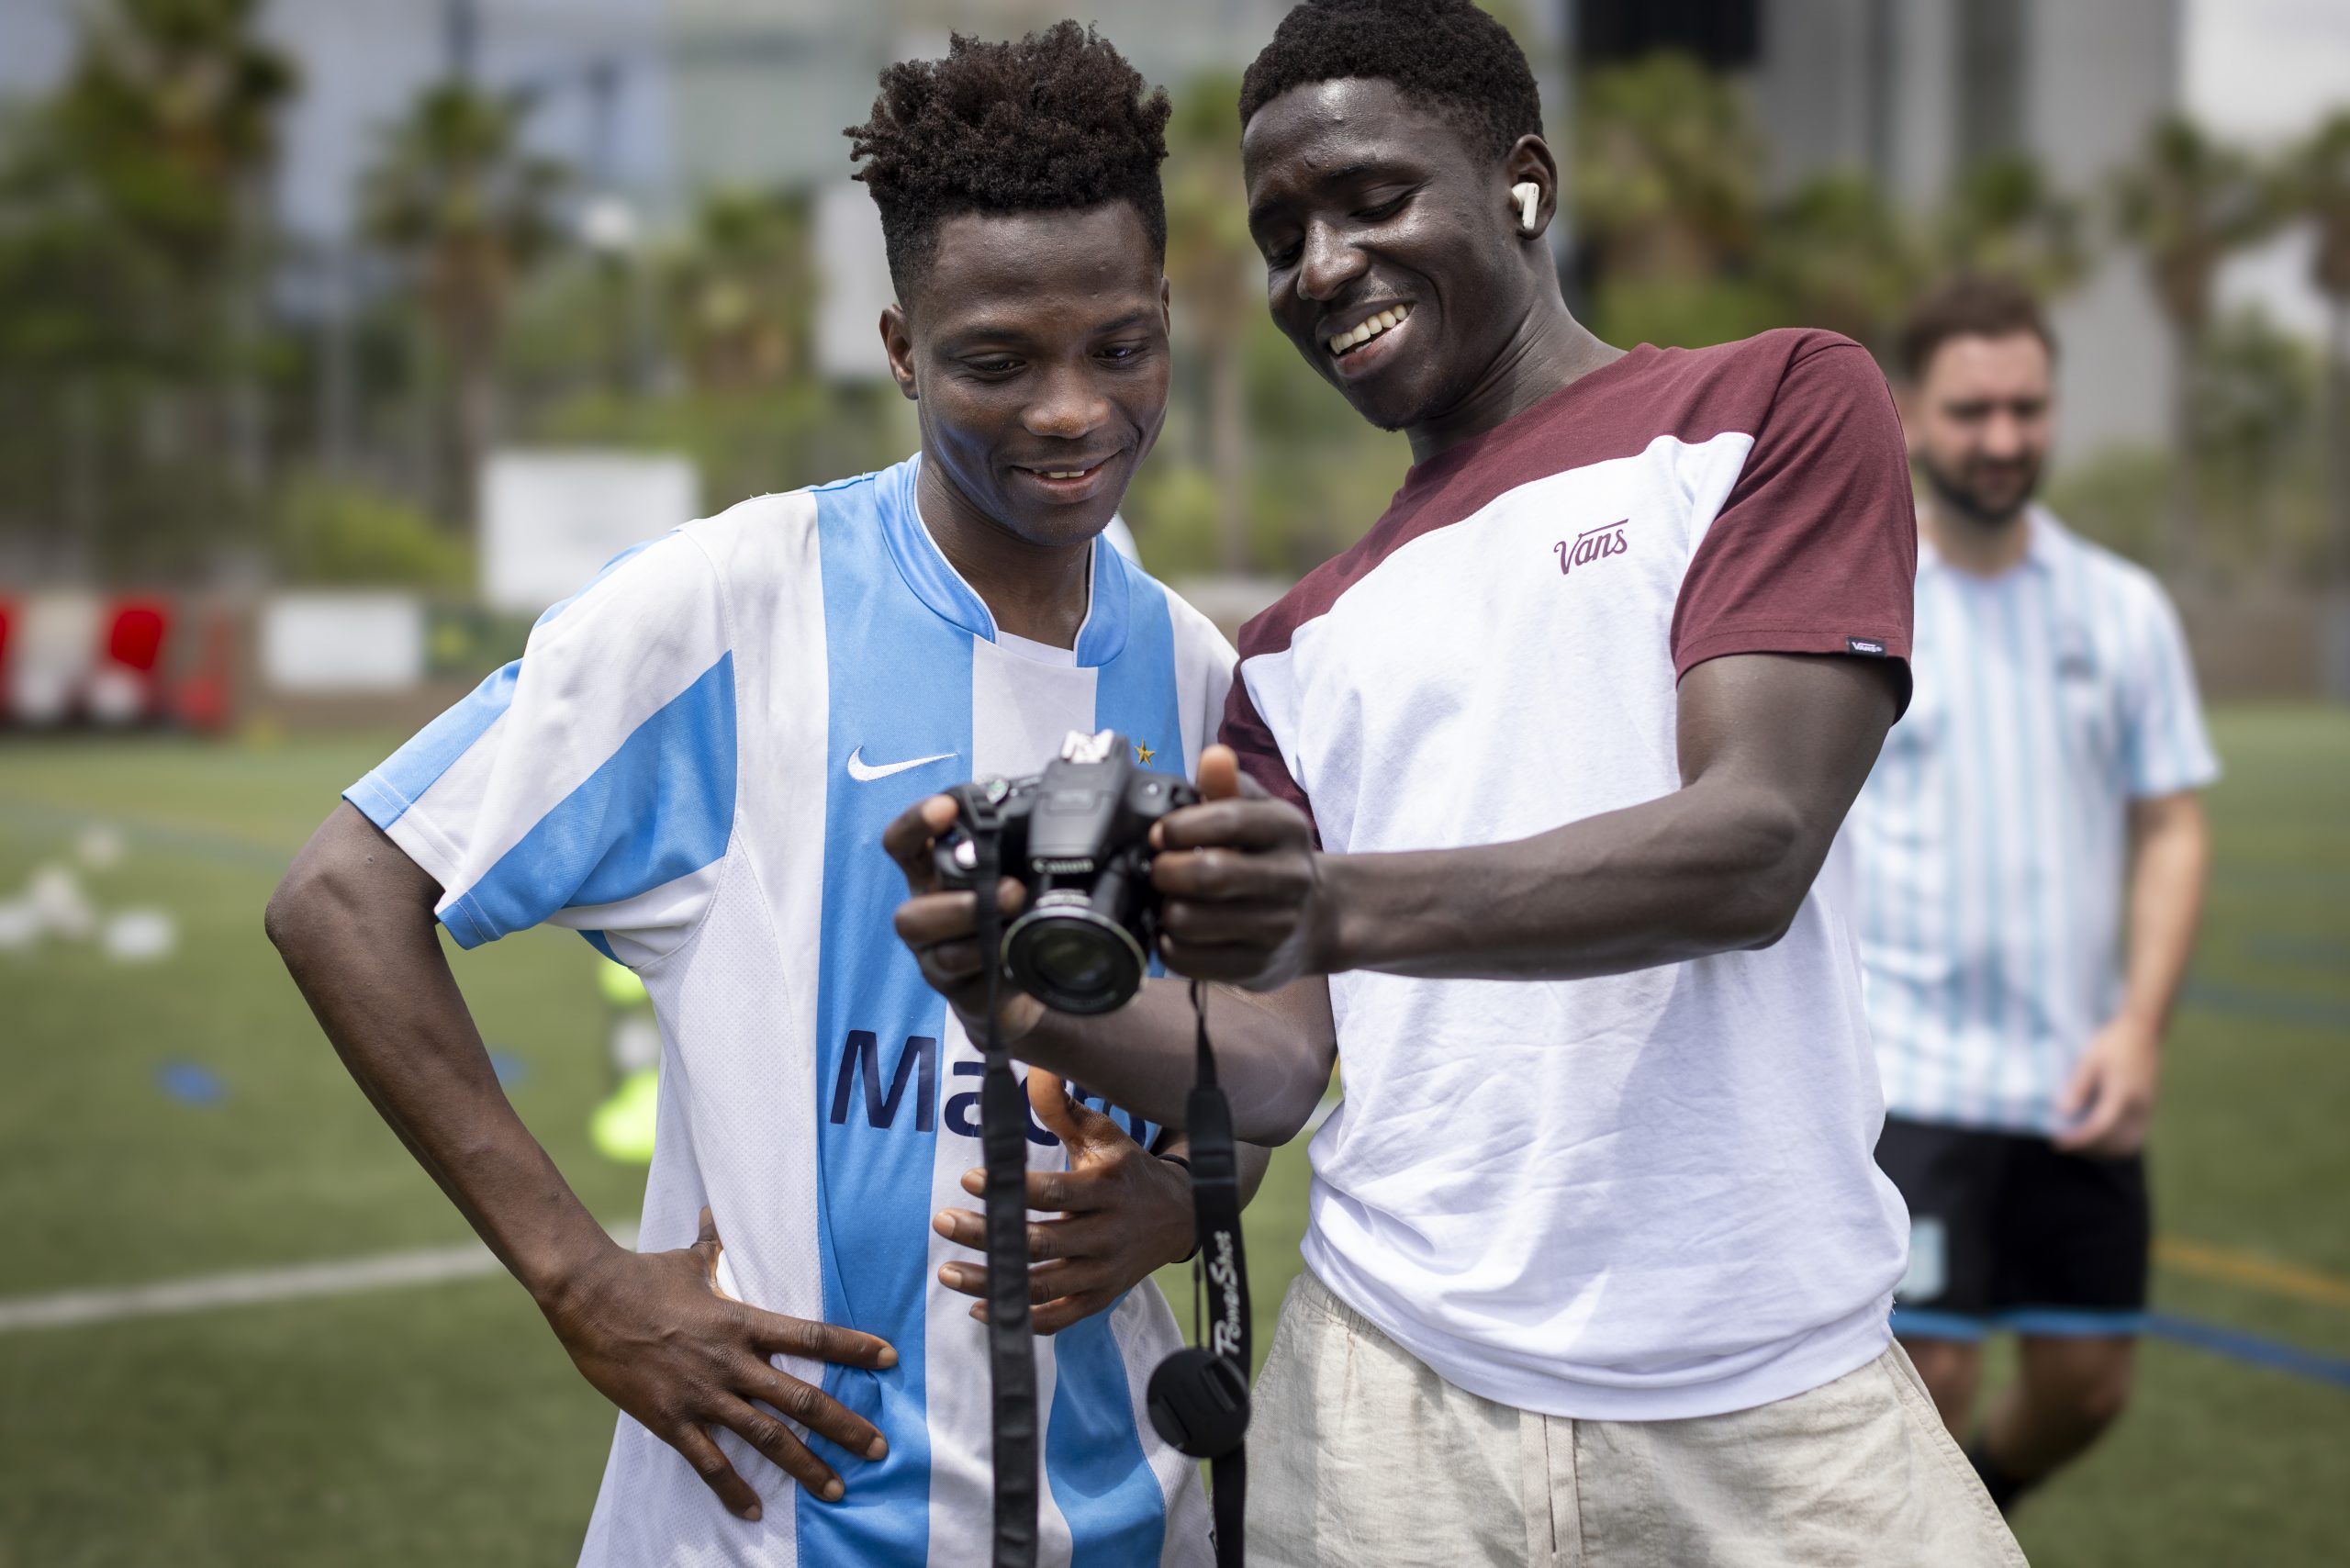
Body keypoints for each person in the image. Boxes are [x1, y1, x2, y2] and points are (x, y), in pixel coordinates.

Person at [890, 2, 2026, 1562]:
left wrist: (1329, 904)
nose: (1324, 268)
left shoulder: (1770, 406)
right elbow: (1279, 1072)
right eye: (1283, 235)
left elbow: (1751, 847)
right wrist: (1021, 990)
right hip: (1381, 1408)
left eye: (1370, 200)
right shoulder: (1289, 645)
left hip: (1773, 1401)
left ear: (1523, 180)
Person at [267, 25, 1262, 1565]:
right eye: (997, 360)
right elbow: (341, 894)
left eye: (1120, 347)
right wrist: (580, 1280)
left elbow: (1251, 1049)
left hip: (1130, 1514)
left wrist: (1192, 1194)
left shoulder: (1193, 669)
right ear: (899, 348)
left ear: (1169, 321)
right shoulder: (735, 605)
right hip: (771, 1523)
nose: (1072, 411)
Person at [1851, 275, 2216, 1513]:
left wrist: (2138, 1030)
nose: (2003, 440)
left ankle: (1972, 1526)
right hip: (1913, 1084)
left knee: (2088, 1383)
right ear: (1905, 414)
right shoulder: (1860, 604)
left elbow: (2170, 820)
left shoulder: (2121, 610)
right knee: (1929, 1384)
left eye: (2027, 408)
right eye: (1972, 411)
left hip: (2074, 1078)